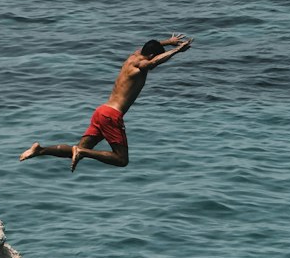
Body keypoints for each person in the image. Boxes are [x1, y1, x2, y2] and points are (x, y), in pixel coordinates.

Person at [19, 34, 192, 171]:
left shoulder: (134, 56)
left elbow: (149, 48)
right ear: (152, 56)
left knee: (75, 148)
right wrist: (176, 51)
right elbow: (153, 62)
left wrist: (169, 42)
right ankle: (83, 152)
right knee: (121, 160)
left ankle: (40, 150)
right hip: (111, 116)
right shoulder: (141, 64)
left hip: (101, 112)